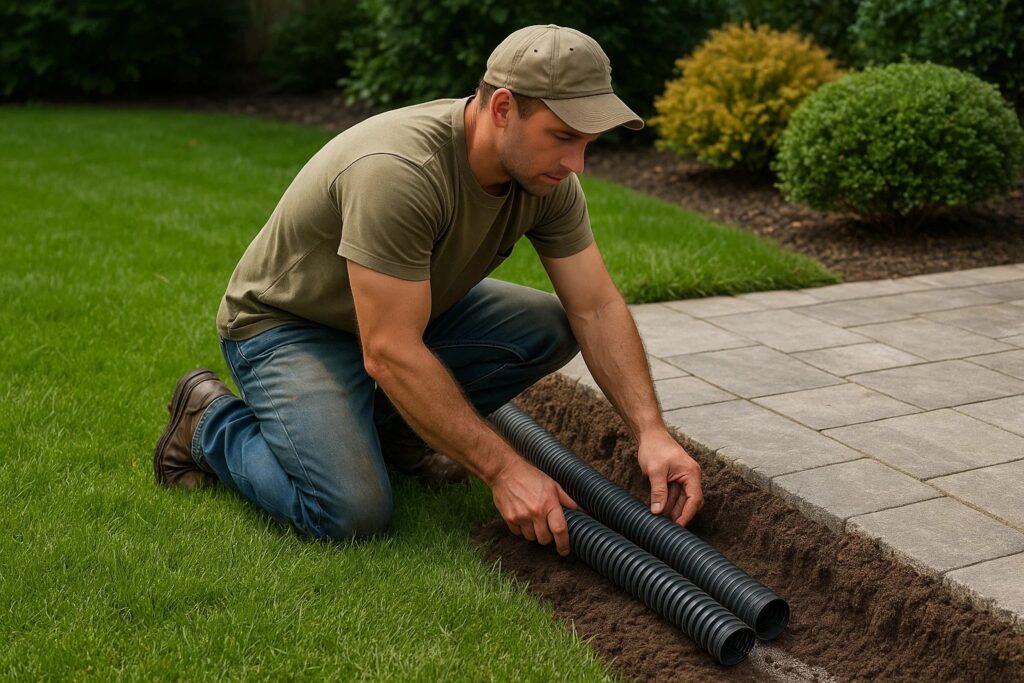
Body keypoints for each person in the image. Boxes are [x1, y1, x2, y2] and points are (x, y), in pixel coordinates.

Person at [153, 24, 703, 556]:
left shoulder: (547, 179)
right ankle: (209, 424)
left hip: (404, 315)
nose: (576, 162)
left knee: (549, 327)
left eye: (587, 142)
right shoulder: (399, 171)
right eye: (562, 137)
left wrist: (650, 431)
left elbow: (598, 307)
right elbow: (389, 351)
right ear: (504, 109)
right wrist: (505, 469)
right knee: (350, 515)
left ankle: (394, 435)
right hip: (290, 327)